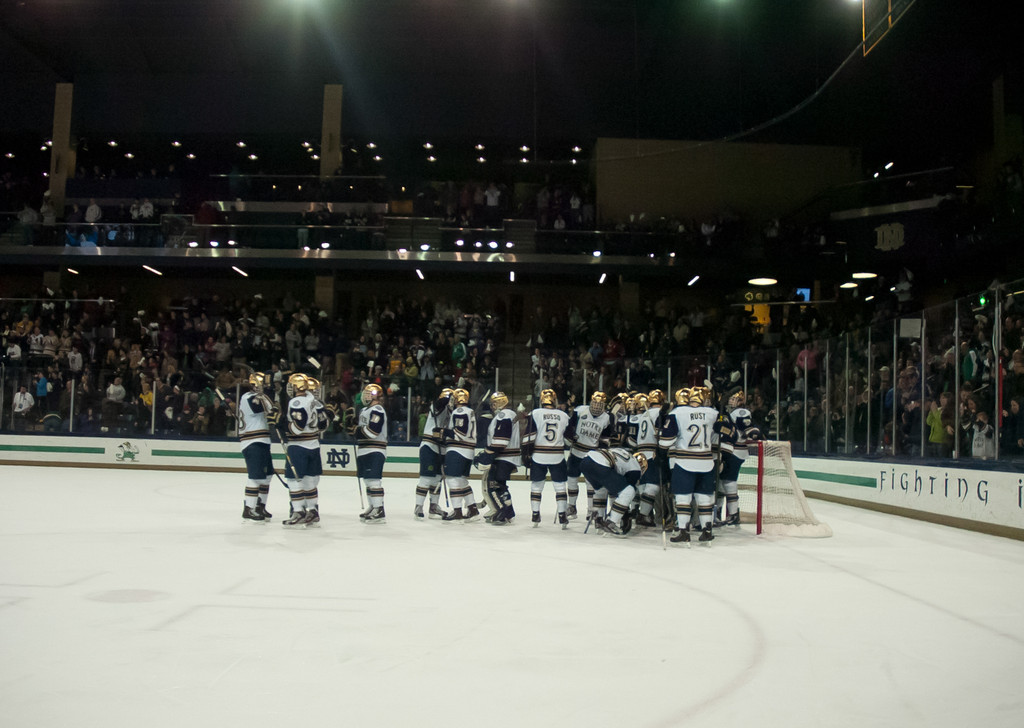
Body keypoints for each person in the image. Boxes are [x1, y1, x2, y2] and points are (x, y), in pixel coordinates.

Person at [659, 386, 719, 544]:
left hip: (685, 461)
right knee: (704, 496)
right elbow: (722, 432)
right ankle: (707, 529)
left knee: (683, 497)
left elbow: (666, 442)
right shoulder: (712, 413)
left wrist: (661, 434)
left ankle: (684, 530)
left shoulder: (676, 414)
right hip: (707, 461)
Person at [281, 373, 329, 527]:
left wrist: (281, 424)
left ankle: (298, 511)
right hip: (314, 445)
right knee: (309, 481)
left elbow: (297, 427)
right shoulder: (315, 401)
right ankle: (312, 510)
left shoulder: (296, 401)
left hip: (299, 446)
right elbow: (323, 425)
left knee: (293, 480)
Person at [522, 388, 571, 528]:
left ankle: (535, 514)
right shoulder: (563, 415)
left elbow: (529, 436)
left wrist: (526, 454)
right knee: (560, 486)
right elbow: (569, 439)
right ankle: (562, 515)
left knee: (537, 486)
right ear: (554, 400)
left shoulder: (535, 413)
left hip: (539, 455)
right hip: (557, 455)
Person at [565, 391, 616, 522]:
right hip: (576, 451)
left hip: (592, 455)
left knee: (590, 483)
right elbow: (570, 426)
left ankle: (590, 509)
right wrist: (570, 437)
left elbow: (605, 439)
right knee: (571, 479)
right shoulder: (580, 411)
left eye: (600, 404)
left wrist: (601, 453)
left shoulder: (606, 418)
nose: (597, 406)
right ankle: (571, 506)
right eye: (595, 402)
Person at [474, 391, 522, 525]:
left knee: (493, 485)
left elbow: (501, 440)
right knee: (500, 485)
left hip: (503, 456)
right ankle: (508, 510)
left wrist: (487, 453)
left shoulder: (503, 415)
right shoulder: (509, 414)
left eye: (494, 403)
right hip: (508, 456)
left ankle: (503, 511)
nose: (492, 406)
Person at [579, 447, 648, 537]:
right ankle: (611, 523)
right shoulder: (635, 467)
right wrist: (625, 512)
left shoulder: (624, 453)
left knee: (601, 490)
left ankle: (599, 520)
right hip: (601, 464)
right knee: (629, 491)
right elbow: (625, 492)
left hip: (586, 461)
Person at [715, 395, 762, 527]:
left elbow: (747, 427)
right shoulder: (729, 412)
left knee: (729, 482)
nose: (730, 401)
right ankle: (718, 512)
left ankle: (734, 514)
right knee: (720, 483)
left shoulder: (741, 412)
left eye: (733, 399)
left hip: (735, 452)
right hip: (728, 451)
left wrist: (753, 432)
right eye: (730, 398)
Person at [238, 372, 279, 523]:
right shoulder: (247, 397)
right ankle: (249, 508)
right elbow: (259, 408)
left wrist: (266, 397)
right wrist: (265, 396)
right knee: (255, 477)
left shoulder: (260, 397)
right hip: (252, 441)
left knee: (267, 476)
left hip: (263, 441)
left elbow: (273, 410)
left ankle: (260, 505)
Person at [441, 388, 481, 522]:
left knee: (452, 479)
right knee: (462, 481)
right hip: (468, 451)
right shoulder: (469, 411)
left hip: (458, 449)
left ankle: (457, 510)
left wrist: (444, 432)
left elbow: (460, 432)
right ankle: (472, 508)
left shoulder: (460, 411)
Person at [628, 390, 666, 528]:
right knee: (653, 485)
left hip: (640, 453)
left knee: (643, 485)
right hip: (652, 453)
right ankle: (644, 514)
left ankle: (639, 511)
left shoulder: (644, 414)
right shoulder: (660, 413)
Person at [413, 388, 452, 519]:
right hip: (429, 446)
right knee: (426, 478)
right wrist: (449, 396)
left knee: (437, 478)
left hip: (442, 448)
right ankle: (419, 506)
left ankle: (434, 506)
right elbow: (439, 403)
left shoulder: (453, 412)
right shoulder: (437, 407)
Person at [355, 382, 389, 523]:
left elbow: (373, 430)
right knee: (368, 480)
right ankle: (372, 506)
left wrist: (357, 431)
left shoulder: (378, 410)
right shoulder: (364, 410)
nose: (365, 395)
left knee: (374, 480)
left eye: (368, 393)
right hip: (364, 449)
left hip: (374, 449)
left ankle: (379, 508)